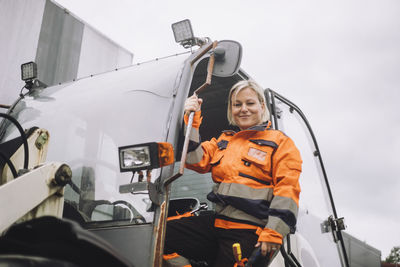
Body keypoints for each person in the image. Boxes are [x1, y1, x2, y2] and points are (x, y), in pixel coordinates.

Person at [163, 80, 302, 267]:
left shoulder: (280, 143)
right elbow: (194, 159)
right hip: (217, 224)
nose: (243, 109)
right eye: (237, 105)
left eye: (250, 103)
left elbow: (287, 190)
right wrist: (192, 120)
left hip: (248, 231)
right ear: (231, 109)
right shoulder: (224, 141)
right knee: (160, 234)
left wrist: (273, 232)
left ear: (262, 106)